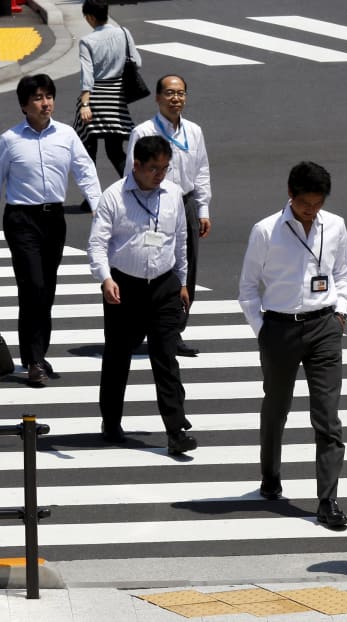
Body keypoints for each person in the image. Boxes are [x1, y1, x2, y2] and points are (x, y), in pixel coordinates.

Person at [238, 161, 347, 529]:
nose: (311, 210)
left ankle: (327, 499)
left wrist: (341, 313)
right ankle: (270, 475)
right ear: (291, 195)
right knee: (276, 408)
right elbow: (247, 289)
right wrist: (263, 331)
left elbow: (343, 274)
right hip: (280, 329)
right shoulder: (265, 231)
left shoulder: (334, 226)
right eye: (306, 204)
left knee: (327, 415)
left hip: (324, 328)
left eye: (317, 204)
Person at [87, 136, 197, 455]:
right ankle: (111, 419)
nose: (160, 174)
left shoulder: (173, 194)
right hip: (124, 286)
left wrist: (183, 282)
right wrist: (105, 279)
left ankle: (176, 430)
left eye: (165, 168)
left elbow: (180, 241)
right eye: (153, 169)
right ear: (136, 165)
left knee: (165, 358)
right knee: (118, 356)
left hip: (163, 285)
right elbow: (97, 244)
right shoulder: (114, 197)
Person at [0, 74, 101, 386]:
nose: (45, 103)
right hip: (21, 220)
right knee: (33, 287)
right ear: (24, 105)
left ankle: (37, 356)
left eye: (48, 96)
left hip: (54, 219)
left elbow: (85, 171)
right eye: (38, 98)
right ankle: (32, 362)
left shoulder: (67, 135)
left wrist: (99, 207)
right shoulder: (10, 139)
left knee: (46, 292)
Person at [125, 75, 211, 357]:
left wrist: (203, 209)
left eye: (181, 93)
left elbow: (201, 171)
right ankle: (137, 328)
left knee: (187, 267)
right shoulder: (144, 131)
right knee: (149, 266)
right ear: (158, 97)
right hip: (153, 202)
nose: (176, 99)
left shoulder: (194, 131)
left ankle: (173, 332)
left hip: (184, 203)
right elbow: (131, 174)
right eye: (170, 93)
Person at [74, 0, 141, 189]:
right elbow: (137, 61)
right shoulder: (124, 33)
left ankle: (91, 197)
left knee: (88, 150)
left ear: (90, 17)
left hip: (95, 99)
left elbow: (87, 76)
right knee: (114, 151)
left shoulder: (87, 41)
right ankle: (132, 185)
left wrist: (85, 104)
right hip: (116, 99)